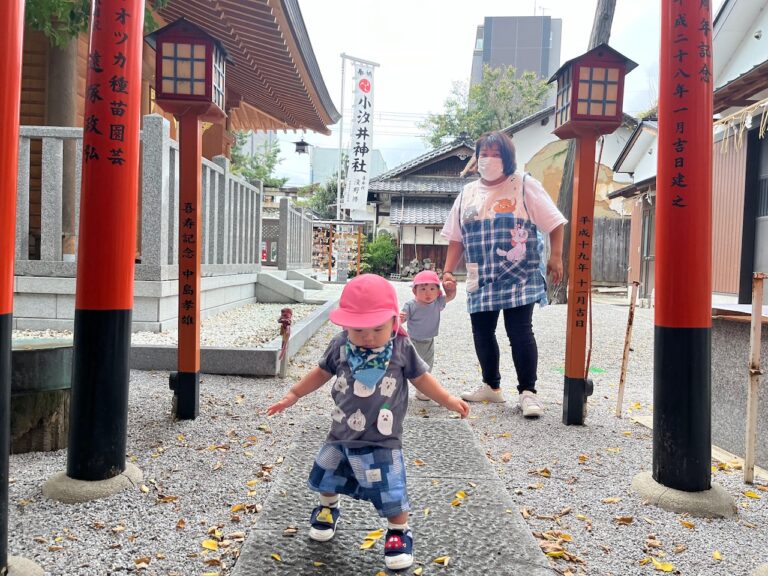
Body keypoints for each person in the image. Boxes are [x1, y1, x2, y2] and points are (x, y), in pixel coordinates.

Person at [267, 274, 469, 570]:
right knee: (328, 474)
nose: (369, 336)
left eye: (378, 328)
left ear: (394, 322)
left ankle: (399, 532)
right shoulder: (340, 345)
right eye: (359, 329)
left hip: (382, 438)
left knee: (391, 490)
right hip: (340, 432)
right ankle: (328, 508)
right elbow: (321, 373)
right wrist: (294, 393)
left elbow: (421, 378)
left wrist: (448, 399)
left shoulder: (400, 347)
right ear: (345, 324)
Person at [440, 131, 566, 418]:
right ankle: (492, 386)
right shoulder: (467, 193)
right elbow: (456, 238)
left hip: (519, 275)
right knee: (482, 332)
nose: (488, 159)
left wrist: (556, 257)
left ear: (508, 158)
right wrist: (447, 271)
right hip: (480, 274)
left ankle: (528, 392)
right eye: (483, 153)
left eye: (496, 154)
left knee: (519, 332)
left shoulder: (523, 185)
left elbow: (555, 222)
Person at [399, 269, 455, 401]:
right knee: (408, 365)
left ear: (438, 291)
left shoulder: (437, 302)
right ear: (415, 291)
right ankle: (399, 387)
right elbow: (402, 318)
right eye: (423, 289)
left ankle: (421, 390)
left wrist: (451, 289)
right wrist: (399, 318)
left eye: (432, 288)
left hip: (429, 341)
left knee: (427, 366)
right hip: (412, 341)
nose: (428, 293)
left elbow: (450, 296)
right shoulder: (411, 305)